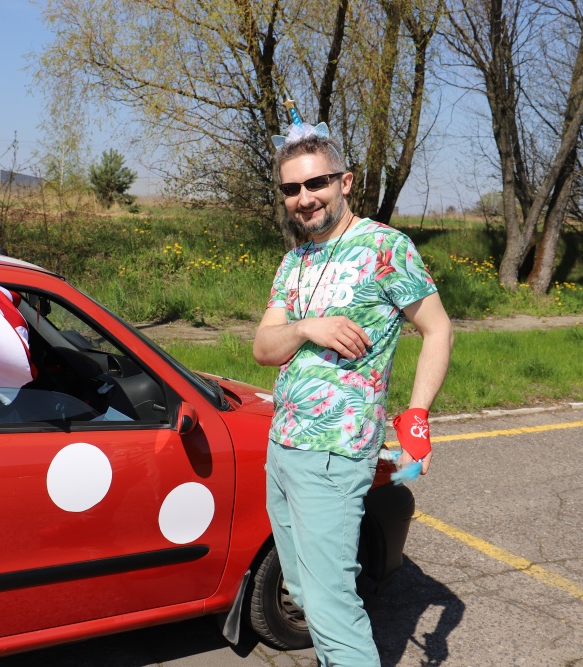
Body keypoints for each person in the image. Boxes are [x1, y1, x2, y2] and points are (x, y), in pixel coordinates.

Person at [253, 117, 453, 666]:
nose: (304, 198)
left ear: (344, 182)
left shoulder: (385, 247)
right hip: (283, 448)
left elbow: (437, 329)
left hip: (334, 455)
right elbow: (264, 348)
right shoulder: (295, 261)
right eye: (291, 188)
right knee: (304, 592)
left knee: (332, 606)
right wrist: (306, 328)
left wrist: (416, 419)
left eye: (316, 183)